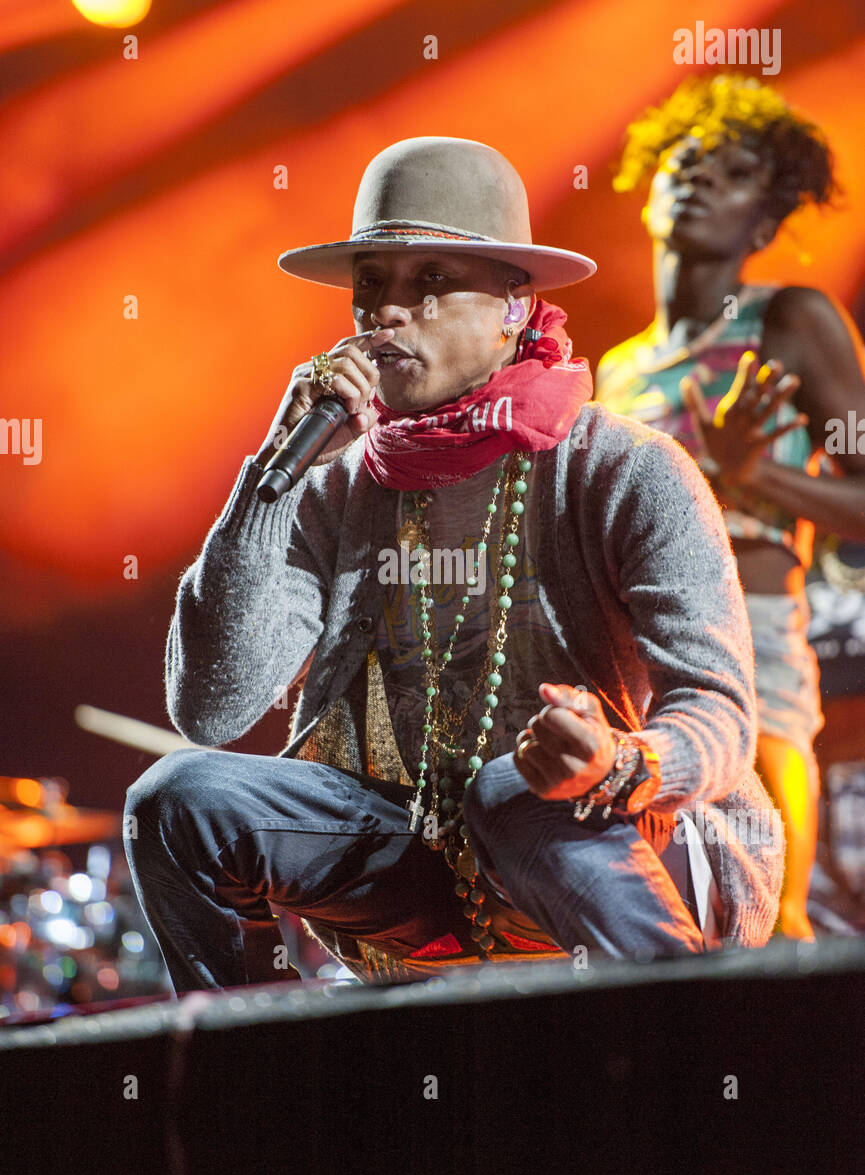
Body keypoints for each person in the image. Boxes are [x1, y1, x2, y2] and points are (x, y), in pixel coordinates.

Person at [123, 135, 783, 993]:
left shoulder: (623, 468)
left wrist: (618, 763)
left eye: (429, 282)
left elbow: (722, 718)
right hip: (414, 858)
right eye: (372, 288)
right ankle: (244, 1078)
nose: (386, 314)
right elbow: (212, 707)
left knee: (513, 791)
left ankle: (696, 1032)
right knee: (177, 797)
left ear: (514, 304)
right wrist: (269, 475)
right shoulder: (328, 490)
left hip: (608, 840)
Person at [595, 74, 865, 940]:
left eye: (732, 170)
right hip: (631, 662)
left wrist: (752, 472)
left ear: (763, 221)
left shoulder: (790, 320)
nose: (699, 175)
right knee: (654, 907)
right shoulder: (617, 373)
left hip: (750, 640)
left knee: (767, 903)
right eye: (686, 157)